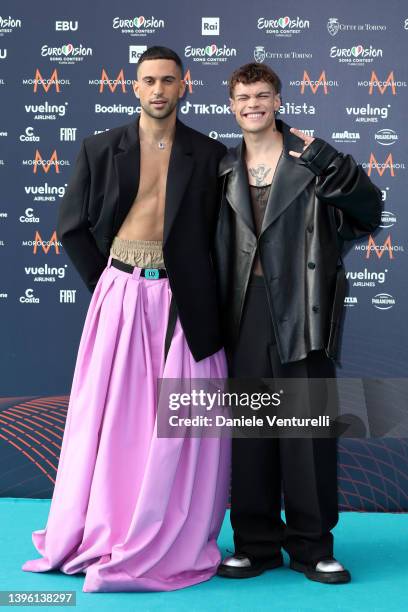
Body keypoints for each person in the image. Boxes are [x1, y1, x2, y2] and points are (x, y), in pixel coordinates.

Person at [22, 46, 230, 592]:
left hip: (185, 303)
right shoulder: (100, 148)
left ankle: (166, 530)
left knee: (178, 421)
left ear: (184, 86)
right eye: (148, 81)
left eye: (168, 80)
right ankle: (105, 524)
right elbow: (71, 225)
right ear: (133, 87)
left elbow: (223, 238)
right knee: (113, 419)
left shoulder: (209, 154)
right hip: (120, 292)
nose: (158, 90)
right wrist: (109, 286)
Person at [214, 62, 382, 584]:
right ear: (232, 105)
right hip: (243, 309)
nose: (252, 105)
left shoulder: (312, 160)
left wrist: (326, 157)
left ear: (278, 100)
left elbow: (369, 210)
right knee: (251, 433)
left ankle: (313, 548)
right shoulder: (221, 167)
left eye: (261, 95)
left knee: (307, 434)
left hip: (304, 308)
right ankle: (256, 544)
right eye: (243, 97)